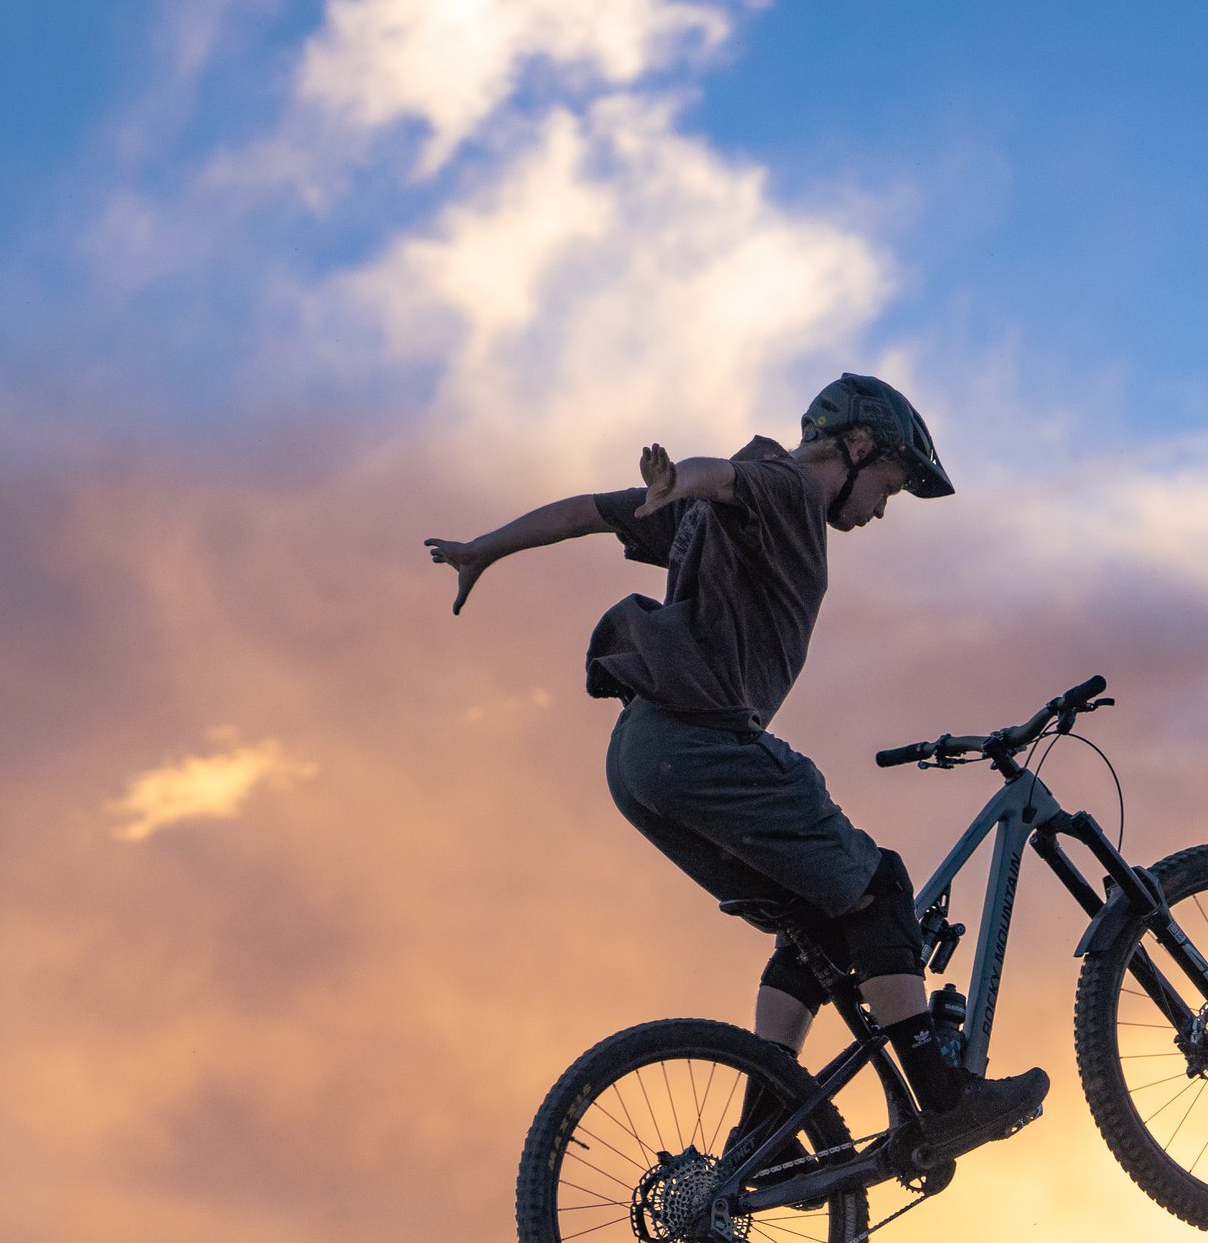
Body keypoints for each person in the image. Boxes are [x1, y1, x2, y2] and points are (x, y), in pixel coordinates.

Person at [425, 374, 1048, 1164]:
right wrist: (685, 473)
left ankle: (765, 1133)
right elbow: (725, 473)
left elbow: (589, 511)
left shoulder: (713, 519)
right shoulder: (786, 485)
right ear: (856, 451)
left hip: (640, 760)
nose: (883, 508)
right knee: (879, 884)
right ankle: (943, 1095)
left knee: (820, 922)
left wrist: (486, 548)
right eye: (888, 484)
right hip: (697, 739)